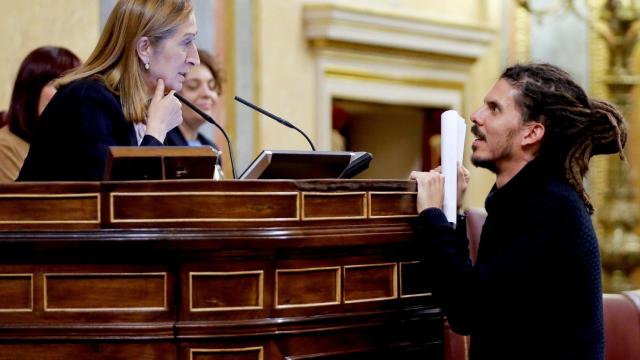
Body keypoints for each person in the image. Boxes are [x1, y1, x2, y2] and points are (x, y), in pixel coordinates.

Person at [411, 63, 627, 359]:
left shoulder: (549, 208)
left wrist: (433, 217)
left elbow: (466, 310)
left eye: (494, 109)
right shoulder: (526, 198)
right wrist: (452, 210)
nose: (476, 116)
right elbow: (480, 298)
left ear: (531, 133)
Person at [18, 0, 199, 181]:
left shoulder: (142, 107)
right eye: (186, 42)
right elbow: (115, 200)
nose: (195, 59)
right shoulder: (87, 101)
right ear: (145, 48)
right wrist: (157, 131)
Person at [0, 46, 81, 182]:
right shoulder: (5, 147)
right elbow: (24, 201)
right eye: (58, 85)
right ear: (31, 91)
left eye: (76, 85)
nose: (71, 94)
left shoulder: (69, 147)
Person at [165, 48, 221, 149]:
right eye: (193, 86)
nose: (206, 93)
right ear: (172, 93)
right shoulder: (162, 142)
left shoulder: (211, 148)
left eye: (212, 86)